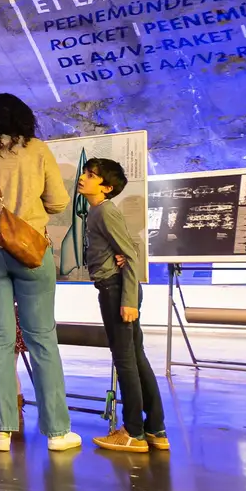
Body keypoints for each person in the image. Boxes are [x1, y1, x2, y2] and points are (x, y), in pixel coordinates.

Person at [0, 92, 78, 454]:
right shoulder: (37, 150)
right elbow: (58, 201)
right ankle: (57, 432)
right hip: (30, 250)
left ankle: (1, 430)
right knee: (42, 339)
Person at [79, 158, 167, 453]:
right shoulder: (97, 212)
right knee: (135, 358)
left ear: (106, 187)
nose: (83, 177)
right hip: (115, 289)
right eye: (86, 173)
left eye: (91, 175)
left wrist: (129, 300)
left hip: (117, 291)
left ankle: (133, 431)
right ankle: (155, 428)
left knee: (126, 360)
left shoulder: (105, 212)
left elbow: (129, 255)